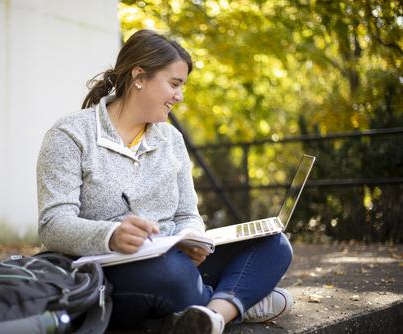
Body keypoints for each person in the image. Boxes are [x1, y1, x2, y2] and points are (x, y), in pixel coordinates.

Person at [37, 29, 294, 334]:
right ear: (139, 76)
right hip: (109, 272)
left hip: (175, 258)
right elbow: (53, 224)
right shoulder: (70, 135)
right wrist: (111, 235)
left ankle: (211, 316)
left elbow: (187, 214)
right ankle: (237, 302)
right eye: (174, 84)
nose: (179, 96)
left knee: (274, 244)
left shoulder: (171, 139)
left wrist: (193, 238)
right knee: (173, 274)